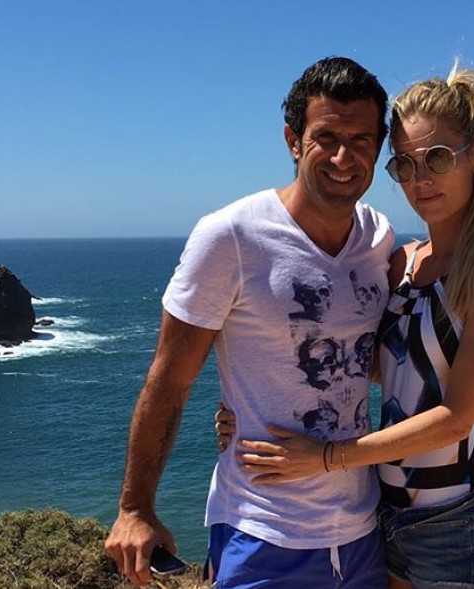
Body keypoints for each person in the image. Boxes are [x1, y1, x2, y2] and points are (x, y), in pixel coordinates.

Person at [219, 63, 474, 589]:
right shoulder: (401, 263)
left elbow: (455, 418)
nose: (420, 179)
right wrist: (248, 413)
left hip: (455, 524)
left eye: (437, 157)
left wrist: (325, 459)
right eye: (404, 164)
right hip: (382, 513)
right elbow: (357, 367)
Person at [105, 56, 394, 588]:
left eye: (361, 140)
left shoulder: (379, 238)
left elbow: (373, 360)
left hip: (362, 528)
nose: (342, 157)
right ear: (292, 140)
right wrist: (135, 508)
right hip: (261, 531)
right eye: (326, 137)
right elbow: (169, 378)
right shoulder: (231, 237)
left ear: (379, 148)